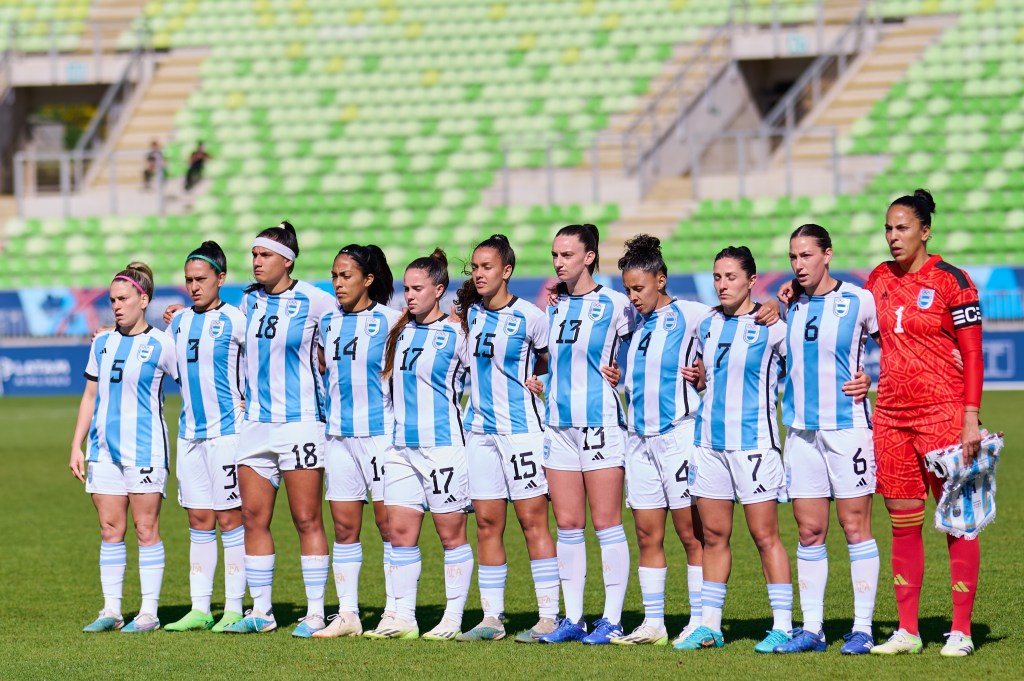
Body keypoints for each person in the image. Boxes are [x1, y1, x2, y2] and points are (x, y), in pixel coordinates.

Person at [863, 190, 984, 657]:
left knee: (959, 521)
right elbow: (857, 328)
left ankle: (960, 631)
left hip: (944, 414)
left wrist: (969, 415)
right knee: (902, 524)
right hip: (891, 418)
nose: (893, 237)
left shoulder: (954, 280)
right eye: (889, 229)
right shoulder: (877, 279)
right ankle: (908, 631)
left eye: (902, 228)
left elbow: (972, 353)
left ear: (925, 231)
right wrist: (789, 293)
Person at [676, 246, 793, 653]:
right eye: (717, 277)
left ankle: (783, 625)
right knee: (713, 535)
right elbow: (708, 376)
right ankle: (710, 624)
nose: (722, 285)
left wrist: (780, 303)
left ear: (751, 280)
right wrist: (702, 378)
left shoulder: (773, 324)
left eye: (730, 277)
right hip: (709, 444)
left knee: (765, 536)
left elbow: (805, 366)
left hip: (754, 445)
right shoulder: (706, 324)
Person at [222, 221, 336, 636]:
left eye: (264, 255)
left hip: (301, 424)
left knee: (306, 518)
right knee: (253, 517)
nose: (256, 262)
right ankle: (263, 611)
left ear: (286, 260)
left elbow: (357, 323)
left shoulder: (316, 301)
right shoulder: (247, 301)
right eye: (254, 255)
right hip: (255, 426)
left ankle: (315, 611)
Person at [773, 225, 880, 655]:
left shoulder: (859, 300)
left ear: (827, 255)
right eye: (793, 257)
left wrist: (872, 377)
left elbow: (891, 347)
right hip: (801, 431)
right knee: (809, 530)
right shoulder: (789, 304)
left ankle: (863, 628)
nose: (799, 265)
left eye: (806, 256)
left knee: (855, 527)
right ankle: (812, 628)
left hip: (848, 428)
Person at [452, 235, 560, 643]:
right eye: (475, 268)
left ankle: (548, 615)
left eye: (487, 267)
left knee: (533, 522)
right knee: (486, 524)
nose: (479, 274)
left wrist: (542, 381)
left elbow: (552, 361)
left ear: (507, 271)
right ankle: (492, 618)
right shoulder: (472, 315)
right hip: (480, 434)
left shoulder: (531, 317)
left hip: (522, 434)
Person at [364, 248, 474, 641]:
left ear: (439, 290)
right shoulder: (400, 330)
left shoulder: (459, 332)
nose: (408, 296)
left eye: (417, 289)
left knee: (450, 535)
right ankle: (403, 618)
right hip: (400, 451)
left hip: (443, 448)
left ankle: (452, 618)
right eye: (406, 289)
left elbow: (482, 381)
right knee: (400, 533)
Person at [603, 235, 707, 647]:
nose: (632, 297)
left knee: (690, 534)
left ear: (660, 280)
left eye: (639, 288)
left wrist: (772, 305)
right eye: (627, 289)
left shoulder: (692, 314)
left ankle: (699, 619)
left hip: (678, 435)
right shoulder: (631, 321)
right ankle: (654, 623)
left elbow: (740, 318)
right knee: (648, 534)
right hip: (639, 440)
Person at [533, 224, 634, 645]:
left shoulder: (616, 304)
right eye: (555, 254)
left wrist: (622, 374)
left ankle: (612, 619)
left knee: (607, 524)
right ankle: (573, 618)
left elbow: (647, 348)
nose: (559, 262)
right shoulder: (551, 306)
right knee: (568, 525)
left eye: (568, 254)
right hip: (558, 425)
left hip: (600, 424)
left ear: (589, 257)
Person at [70, 262, 176, 633]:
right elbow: (89, 396)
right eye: (112, 299)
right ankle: (112, 612)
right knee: (109, 528)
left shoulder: (163, 344)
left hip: (146, 451)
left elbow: (194, 381)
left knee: (145, 528)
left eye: (124, 299)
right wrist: (76, 444)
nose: (116, 305)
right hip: (103, 451)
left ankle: (148, 613)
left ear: (143, 299)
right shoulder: (102, 342)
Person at [312, 244, 400, 638]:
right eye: (334, 276)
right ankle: (348, 614)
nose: (338, 283)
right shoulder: (328, 322)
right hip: (338, 437)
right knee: (344, 527)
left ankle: (396, 611)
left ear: (368, 280)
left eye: (345, 276)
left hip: (380, 436)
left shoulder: (393, 321)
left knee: (389, 525)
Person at [163, 241, 248, 633]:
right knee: (198, 519)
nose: (194, 286)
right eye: (188, 280)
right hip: (190, 435)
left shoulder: (236, 319)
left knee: (230, 519)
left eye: (201, 279)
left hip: (227, 434)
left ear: (221, 279)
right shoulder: (178, 322)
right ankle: (201, 608)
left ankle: (233, 607)